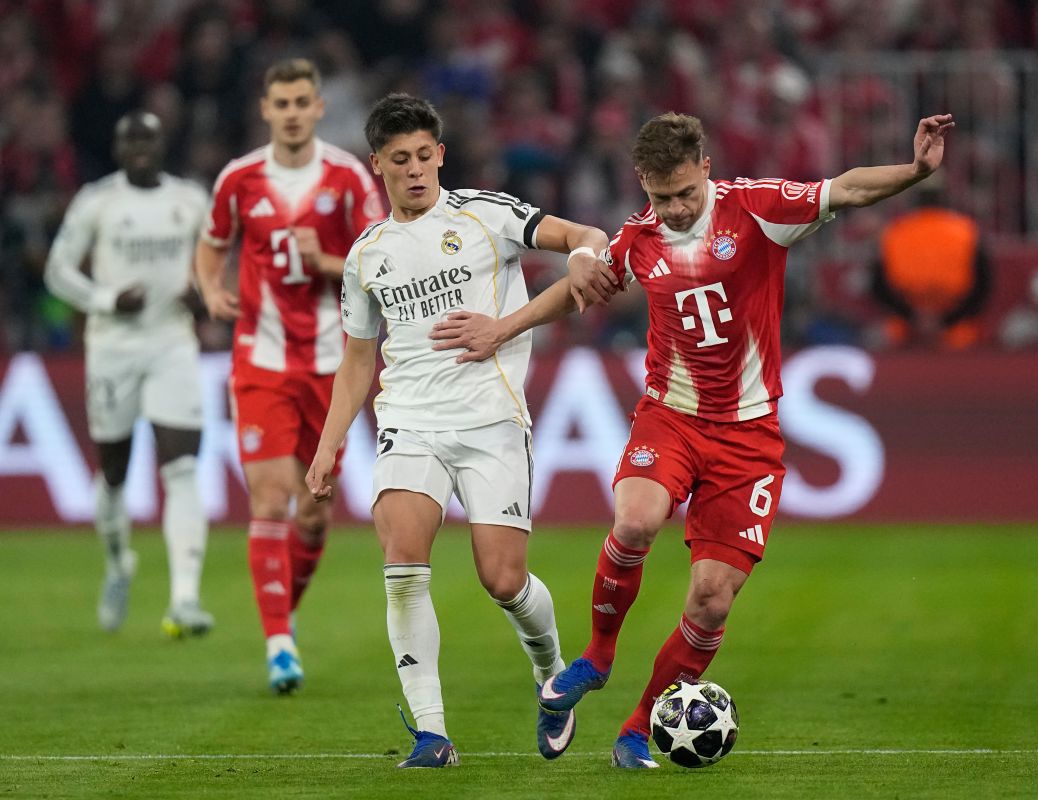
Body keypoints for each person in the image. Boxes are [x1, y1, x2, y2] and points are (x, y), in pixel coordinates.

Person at [431, 110, 955, 767]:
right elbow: (578, 291)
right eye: (660, 197)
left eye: (685, 193)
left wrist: (914, 171)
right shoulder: (638, 238)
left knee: (709, 601)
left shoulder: (757, 208)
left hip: (749, 434)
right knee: (636, 521)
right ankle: (596, 653)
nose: (674, 209)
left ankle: (634, 728)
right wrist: (501, 328)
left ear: (706, 169)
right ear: (642, 184)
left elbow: (844, 189)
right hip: (670, 417)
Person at [304, 93, 619, 768]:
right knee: (403, 567)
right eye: (400, 160)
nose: (415, 170)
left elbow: (585, 238)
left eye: (424, 156)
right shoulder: (367, 255)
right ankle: (431, 733)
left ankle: (551, 674)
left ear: (440, 154)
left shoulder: (487, 214)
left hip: (490, 419)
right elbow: (358, 359)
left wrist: (568, 275)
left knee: (502, 579)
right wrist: (330, 444)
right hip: (409, 421)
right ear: (377, 167)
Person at [194, 58, 385, 694]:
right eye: (283, 103)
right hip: (262, 360)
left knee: (313, 514)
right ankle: (279, 644)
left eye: (303, 100)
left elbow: (383, 262)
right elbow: (212, 240)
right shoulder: (240, 178)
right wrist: (209, 287)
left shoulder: (349, 177)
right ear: (266, 109)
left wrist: (327, 259)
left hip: (336, 366)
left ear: (319, 106)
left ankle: (285, 613)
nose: (294, 112)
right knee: (271, 497)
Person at [44, 111, 213, 637]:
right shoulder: (98, 201)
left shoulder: (190, 199)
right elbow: (57, 270)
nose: (139, 147)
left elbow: (218, 261)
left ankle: (185, 598)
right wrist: (107, 299)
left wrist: (203, 291)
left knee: (182, 467)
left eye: (148, 138)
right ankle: (119, 562)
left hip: (172, 344)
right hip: (113, 349)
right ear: (117, 149)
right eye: (129, 140)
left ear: (163, 145)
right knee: (114, 472)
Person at [869, 176, 991, 350]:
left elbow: (878, 286)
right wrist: (946, 320)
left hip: (905, 324)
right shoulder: (966, 231)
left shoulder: (894, 232)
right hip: (956, 325)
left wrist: (913, 317)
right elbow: (983, 285)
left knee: (888, 338)